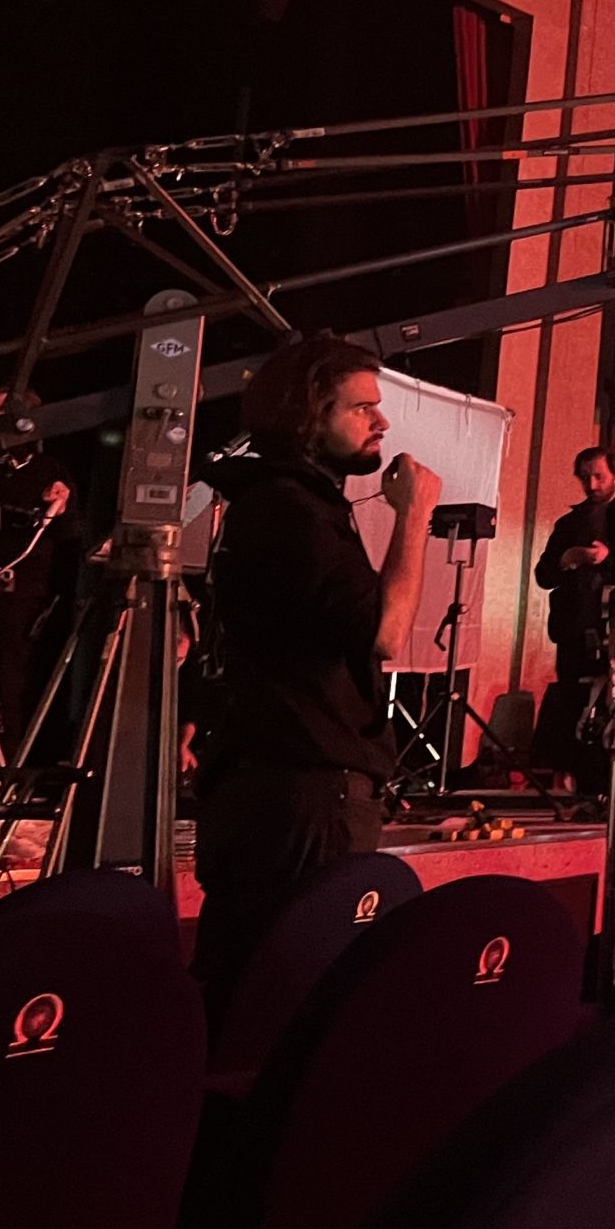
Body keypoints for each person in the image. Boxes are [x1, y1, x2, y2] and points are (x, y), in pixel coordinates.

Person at [194, 336, 438, 1022]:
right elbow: (384, 633)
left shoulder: (280, 503)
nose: (381, 422)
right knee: (296, 994)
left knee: (246, 986)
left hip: (277, 783)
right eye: (362, 408)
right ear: (308, 415)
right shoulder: (292, 511)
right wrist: (414, 517)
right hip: (308, 792)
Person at [529, 446, 615, 785]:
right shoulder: (569, 523)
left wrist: (610, 557)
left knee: (613, 709)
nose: (591, 485)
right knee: (573, 707)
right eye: (585, 477)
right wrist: (567, 559)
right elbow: (543, 575)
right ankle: (577, 782)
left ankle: (608, 784)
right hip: (573, 630)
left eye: (599, 477)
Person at [0, 392, 74, 756]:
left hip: (19, 591)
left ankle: (11, 761)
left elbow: (71, 532)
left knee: (11, 679)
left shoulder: (47, 470)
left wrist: (60, 505)